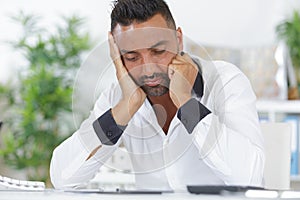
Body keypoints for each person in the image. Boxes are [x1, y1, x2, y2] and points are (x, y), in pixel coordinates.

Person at [50, 0, 265, 190]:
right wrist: (126, 106)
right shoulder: (119, 95)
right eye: (132, 57)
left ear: (179, 40)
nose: (148, 70)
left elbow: (250, 178)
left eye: (158, 52)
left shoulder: (225, 81)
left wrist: (186, 102)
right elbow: (62, 176)